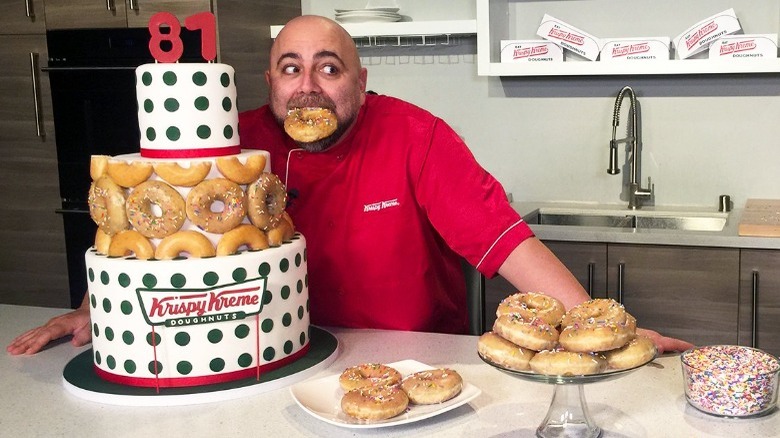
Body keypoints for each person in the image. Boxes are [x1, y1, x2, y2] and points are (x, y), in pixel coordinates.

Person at [7, 15, 692, 356]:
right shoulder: (232, 149)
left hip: (413, 363)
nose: (308, 85)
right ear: (270, 81)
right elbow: (152, 233)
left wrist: (599, 326)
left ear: (361, 84)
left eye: (329, 68)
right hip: (278, 354)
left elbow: (503, 240)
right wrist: (97, 309)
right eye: (291, 68)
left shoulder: (415, 135)